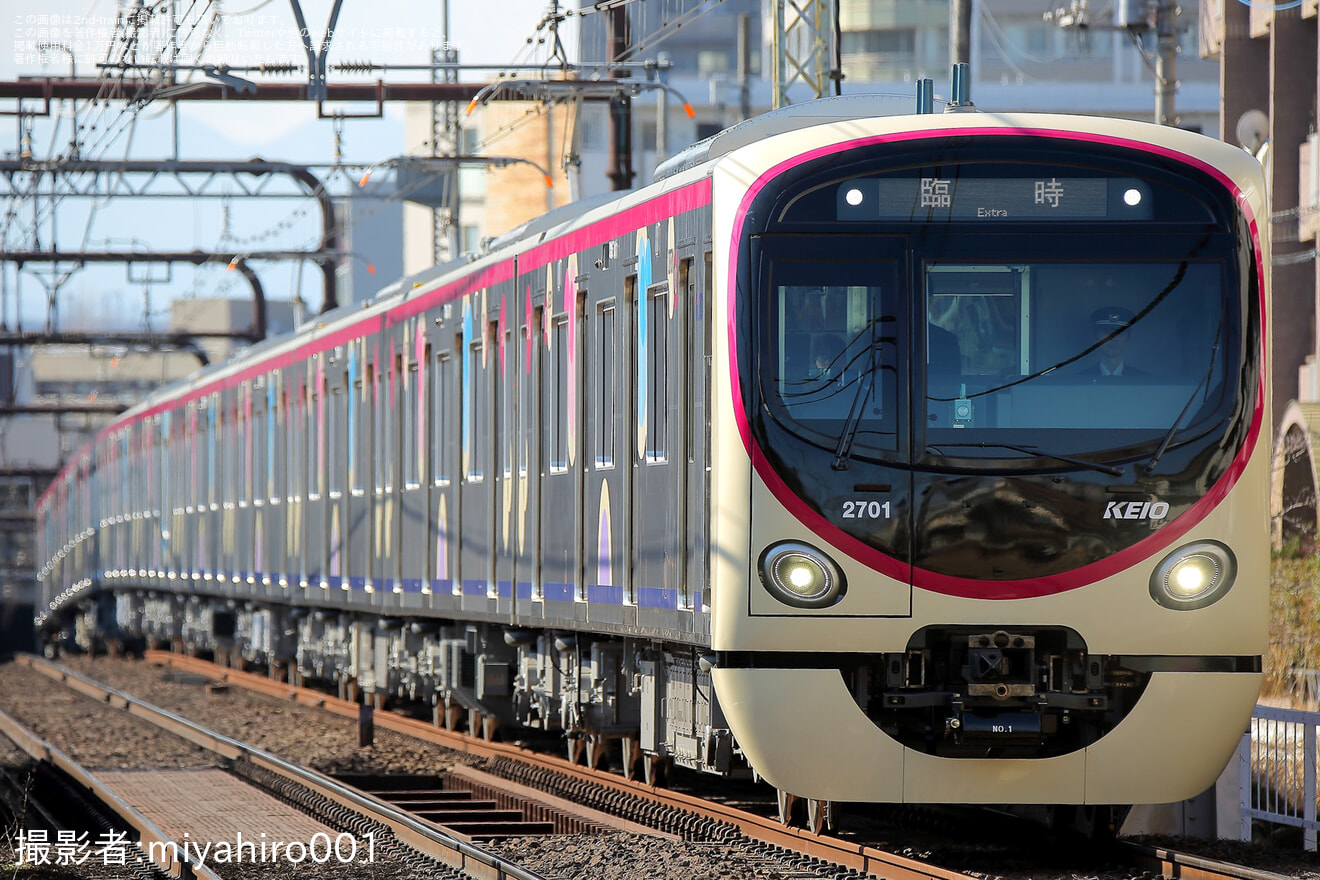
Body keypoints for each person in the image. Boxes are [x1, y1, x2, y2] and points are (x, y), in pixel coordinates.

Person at [1087, 305, 1146, 377]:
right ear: (1096, 338)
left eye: (1120, 333)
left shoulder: (1142, 380)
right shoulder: (1081, 379)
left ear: (1128, 339)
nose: (1114, 339)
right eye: (1106, 332)